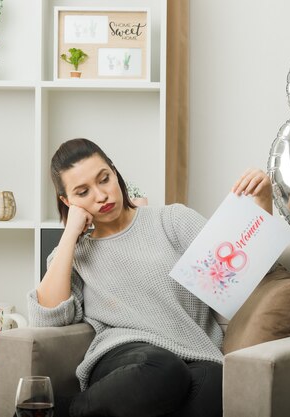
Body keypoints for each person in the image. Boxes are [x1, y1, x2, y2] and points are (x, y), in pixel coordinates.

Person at [27, 138, 273, 417]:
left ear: (114, 172)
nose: (101, 195)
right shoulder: (75, 252)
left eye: (104, 179)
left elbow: (239, 271)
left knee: (217, 383)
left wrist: (263, 200)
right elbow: (46, 317)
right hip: (125, 358)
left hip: (195, 353)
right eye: (83, 192)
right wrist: (70, 234)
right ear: (67, 201)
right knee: (164, 368)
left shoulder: (171, 220)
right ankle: (59, 411)